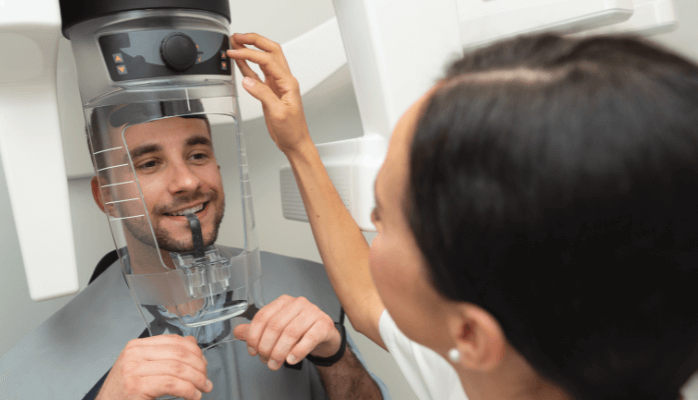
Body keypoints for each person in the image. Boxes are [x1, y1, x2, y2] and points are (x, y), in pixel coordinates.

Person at [227, 31, 698, 400]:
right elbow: (368, 295)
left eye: (384, 217)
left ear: (469, 334)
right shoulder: (514, 362)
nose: (371, 221)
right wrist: (298, 146)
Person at [0, 100, 388, 400]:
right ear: (107, 198)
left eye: (197, 154)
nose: (187, 181)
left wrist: (336, 358)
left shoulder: (308, 289)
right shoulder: (33, 372)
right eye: (149, 164)